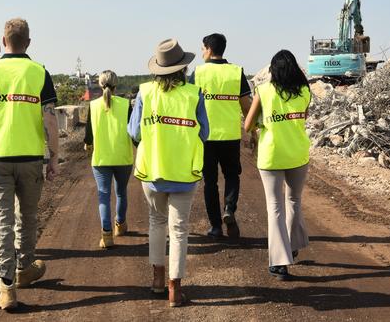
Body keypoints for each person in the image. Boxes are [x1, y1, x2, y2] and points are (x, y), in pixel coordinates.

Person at [0, 18, 60, 310]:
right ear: (28, 43)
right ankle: (25, 269)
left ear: (4, 42)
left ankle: (6, 288)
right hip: (30, 159)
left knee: (1, 222)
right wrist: (53, 156)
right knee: (27, 217)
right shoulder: (39, 72)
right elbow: (51, 120)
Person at [128, 38, 209, 307]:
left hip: (152, 170)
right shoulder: (193, 94)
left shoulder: (144, 93)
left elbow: (135, 132)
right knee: (179, 230)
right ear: (183, 68)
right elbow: (204, 133)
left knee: (156, 223)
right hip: (184, 171)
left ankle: (157, 280)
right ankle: (175, 288)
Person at [243, 49, 310, 280]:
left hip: (271, 155)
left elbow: (248, 125)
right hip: (298, 154)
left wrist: (261, 125)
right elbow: (304, 117)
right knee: (294, 200)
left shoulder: (264, 91)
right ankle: (292, 246)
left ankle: (280, 262)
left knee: (275, 206)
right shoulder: (304, 91)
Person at [191, 33, 251, 238]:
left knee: (210, 182)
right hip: (230, 135)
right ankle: (229, 209)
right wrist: (251, 131)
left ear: (208, 49)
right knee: (232, 175)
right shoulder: (236, 72)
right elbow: (246, 105)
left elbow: (189, 105)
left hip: (205, 137)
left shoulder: (198, 73)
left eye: (202, 49)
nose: (201, 53)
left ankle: (215, 226)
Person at [84, 70, 134, 248]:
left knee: (103, 196)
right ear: (116, 84)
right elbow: (133, 131)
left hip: (101, 159)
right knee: (121, 192)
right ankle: (120, 225)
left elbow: (88, 135)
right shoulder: (126, 104)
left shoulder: (93, 105)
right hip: (123, 157)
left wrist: (88, 145)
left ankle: (106, 235)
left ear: (100, 84)